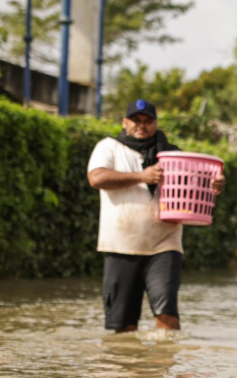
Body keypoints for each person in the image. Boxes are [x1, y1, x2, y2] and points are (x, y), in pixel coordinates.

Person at [86, 99, 224, 333]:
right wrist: (142, 176)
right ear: (125, 122)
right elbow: (96, 178)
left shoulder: (173, 154)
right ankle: (130, 367)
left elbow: (197, 185)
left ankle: (164, 364)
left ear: (156, 123)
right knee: (123, 325)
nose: (142, 125)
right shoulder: (109, 147)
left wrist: (215, 183)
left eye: (148, 121)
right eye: (136, 121)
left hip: (164, 244)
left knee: (166, 310)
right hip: (121, 244)